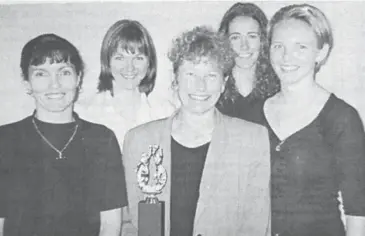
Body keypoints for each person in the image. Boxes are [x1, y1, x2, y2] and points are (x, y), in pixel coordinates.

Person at [122, 26, 270, 236]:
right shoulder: (139, 140)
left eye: (211, 75)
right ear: (176, 79)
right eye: (191, 73)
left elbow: (256, 225)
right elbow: (136, 223)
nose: (200, 86)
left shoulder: (252, 139)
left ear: (223, 83)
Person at [0, 33, 127, 236]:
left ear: (78, 78)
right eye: (41, 74)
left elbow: (110, 224)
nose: (55, 84)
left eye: (64, 72)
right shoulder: (5, 140)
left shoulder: (102, 140)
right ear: (27, 83)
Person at [265, 4, 365, 235]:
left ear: (321, 52)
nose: (286, 57)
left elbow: (357, 209)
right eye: (278, 46)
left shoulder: (342, 118)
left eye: (300, 47)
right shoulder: (255, 114)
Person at [76, 19, 175, 147]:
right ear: (107, 61)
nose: (130, 67)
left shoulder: (166, 112)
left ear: (149, 63)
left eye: (138, 58)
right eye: (120, 58)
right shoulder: (85, 113)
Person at [216, 2, 280, 124]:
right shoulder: (214, 88)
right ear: (224, 41)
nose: (244, 46)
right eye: (235, 37)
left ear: (263, 41)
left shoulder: (278, 89)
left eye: (252, 36)